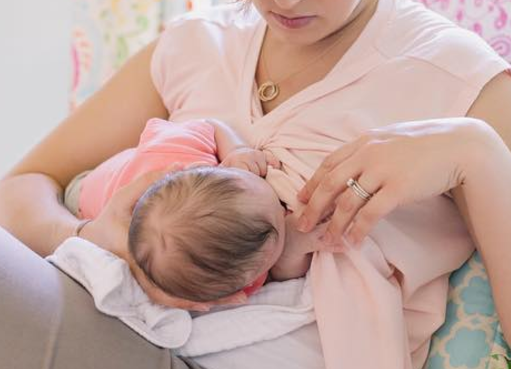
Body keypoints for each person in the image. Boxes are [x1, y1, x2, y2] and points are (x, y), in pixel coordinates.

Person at [0, 0, 511, 368]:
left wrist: (474, 154)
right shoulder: (195, 46)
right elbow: (21, 189)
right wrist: (87, 238)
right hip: (118, 324)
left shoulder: (465, 85)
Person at [63, 116, 325, 310]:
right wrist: (289, 252)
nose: (283, 210)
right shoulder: (178, 150)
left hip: (96, 194)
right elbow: (278, 274)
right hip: (83, 199)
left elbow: (211, 125)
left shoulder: (181, 148)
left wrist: (235, 150)